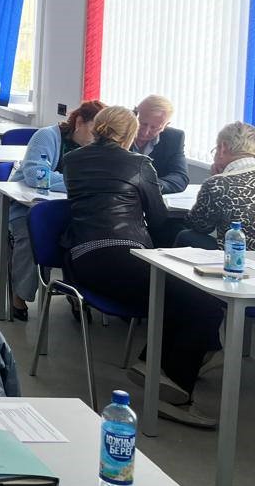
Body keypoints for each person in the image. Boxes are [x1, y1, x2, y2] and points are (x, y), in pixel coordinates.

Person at [63, 106, 224, 428]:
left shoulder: (72, 160)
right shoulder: (139, 163)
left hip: (81, 258)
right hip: (122, 255)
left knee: (176, 294)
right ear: (130, 135)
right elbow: (159, 218)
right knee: (204, 302)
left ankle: (154, 364)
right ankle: (175, 390)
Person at [0, 100, 103, 320]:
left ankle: (76, 292)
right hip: (26, 206)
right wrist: (79, 181)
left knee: (89, 238)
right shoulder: (47, 136)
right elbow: (37, 177)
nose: (96, 137)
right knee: (33, 235)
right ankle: (20, 295)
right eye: (93, 130)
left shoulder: (97, 147)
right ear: (79, 122)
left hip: (73, 210)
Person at [178, 121, 255, 248]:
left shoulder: (219, 183)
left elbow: (199, 225)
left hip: (238, 255)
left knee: (185, 235)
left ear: (222, 148)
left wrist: (215, 179)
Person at [131, 94, 189, 193]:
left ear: (165, 126)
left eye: (154, 128)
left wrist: (148, 186)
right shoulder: (119, 131)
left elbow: (180, 177)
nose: (145, 132)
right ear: (134, 115)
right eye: (142, 124)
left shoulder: (174, 138)